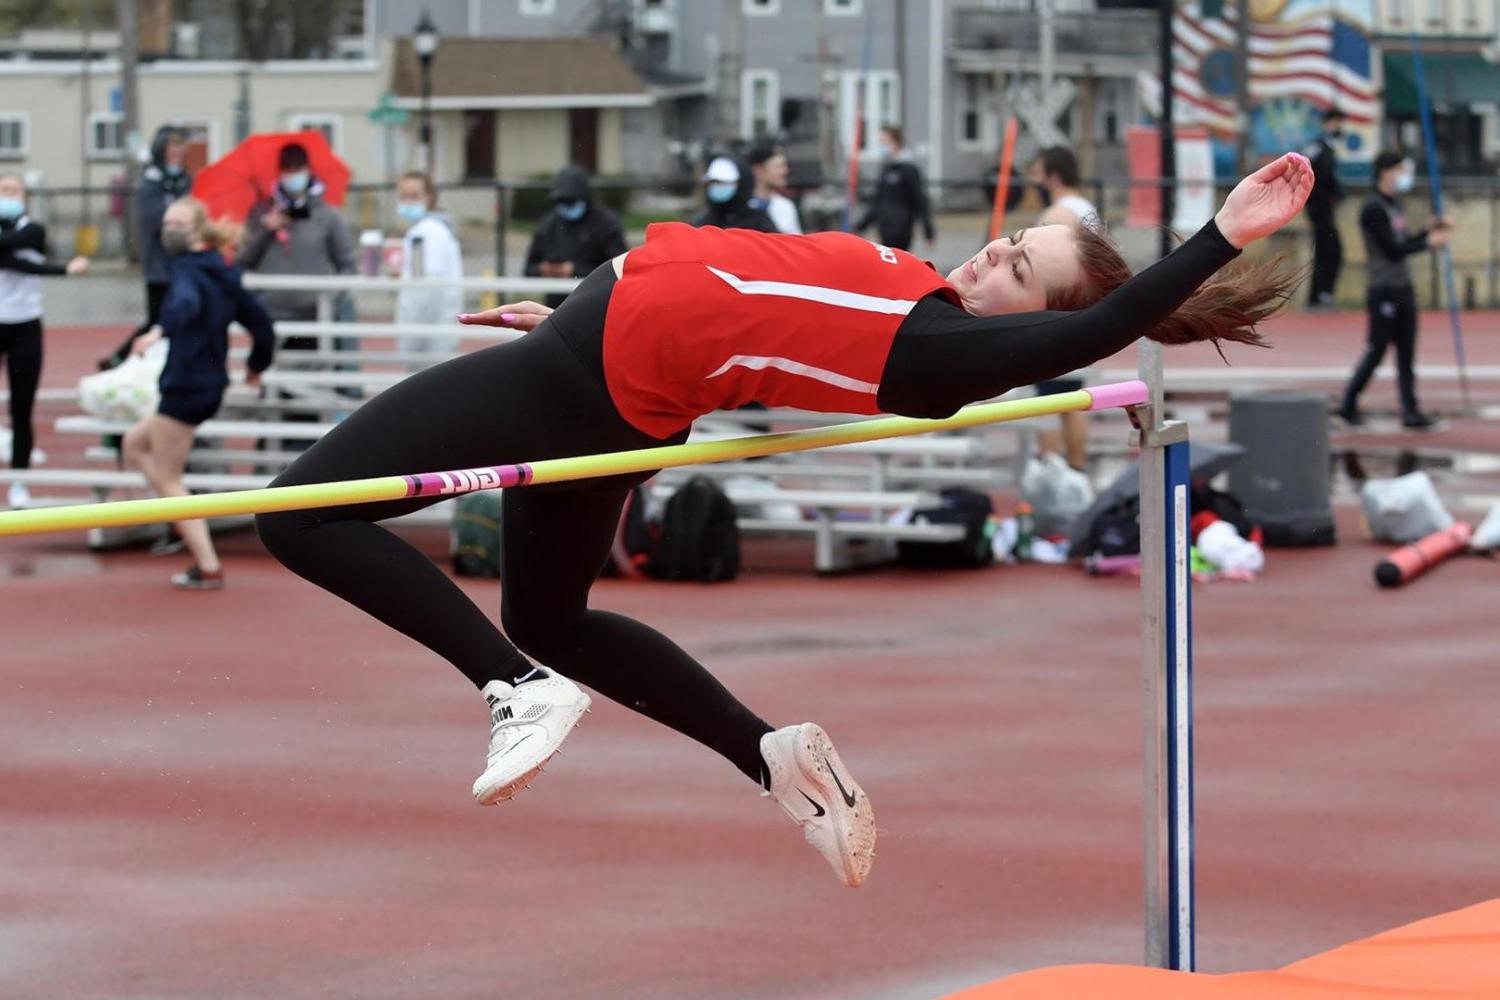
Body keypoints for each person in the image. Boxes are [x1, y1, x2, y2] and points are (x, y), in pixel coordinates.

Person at [254, 153, 1311, 889]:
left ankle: (514, 692)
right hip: (604, 369)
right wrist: (570, 309)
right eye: (1006, 241)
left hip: (587, 378)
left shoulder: (947, 358)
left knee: (299, 514)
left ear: (1035, 327)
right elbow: (749, 298)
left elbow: (1106, 324)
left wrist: (1219, 234)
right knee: (553, 616)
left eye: (1019, 271)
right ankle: (772, 757)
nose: (991, 256)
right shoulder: (922, 293)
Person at [125, 197, 275, 588]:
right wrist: (256, 365)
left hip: (186, 388)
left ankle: (206, 563)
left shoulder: (189, 271)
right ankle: (179, 519)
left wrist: (160, 330)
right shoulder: (222, 272)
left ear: (196, 230)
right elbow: (262, 325)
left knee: (168, 477)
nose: (167, 229)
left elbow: (184, 304)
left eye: (177, 222)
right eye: (166, 221)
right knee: (134, 445)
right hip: (204, 385)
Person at [1337, 150, 1453, 431]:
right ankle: (1347, 406)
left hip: (1403, 287)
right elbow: (1393, 250)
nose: (1405, 176)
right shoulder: (1373, 208)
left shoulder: (1393, 205)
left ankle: (1411, 411)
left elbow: (1404, 240)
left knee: (1406, 354)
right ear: (1386, 172)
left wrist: (1428, 231)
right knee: (1376, 350)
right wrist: (1429, 244)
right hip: (1384, 288)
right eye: (1401, 170)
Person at [0, 173, 89, 509]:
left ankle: (19, 482)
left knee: (21, 409)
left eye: (14, 190)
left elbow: (18, 258)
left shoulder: (34, 230)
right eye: (3, 190)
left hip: (25, 326)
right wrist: (64, 270)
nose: (9, 194)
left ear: (23, 196)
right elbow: (11, 258)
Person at [1025, 146, 1102, 471]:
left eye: (1038, 173)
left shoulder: (1057, 215)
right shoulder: (1086, 208)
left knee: (1047, 400)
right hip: (1083, 313)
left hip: (1057, 316)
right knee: (1073, 398)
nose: (1033, 182)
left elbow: (1037, 268)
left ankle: (1053, 472)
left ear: (1053, 176)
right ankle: (1077, 470)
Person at [102, 126, 192, 369]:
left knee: (175, 319)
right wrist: (179, 217)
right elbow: (155, 220)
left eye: (179, 152)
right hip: (159, 265)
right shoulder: (151, 183)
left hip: (183, 263)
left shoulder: (185, 181)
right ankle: (120, 359)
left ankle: (155, 364)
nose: (176, 158)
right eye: (171, 151)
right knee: (156, 319)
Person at [524, 165, 627, 310]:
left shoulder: (606, 223)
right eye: (561, 201)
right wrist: (544, 269)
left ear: (584, 197)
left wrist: (575, 271)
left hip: (596, 307)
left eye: (570, 201)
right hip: (556, 310)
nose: (565, 206)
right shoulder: (549, 224)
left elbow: (620, 270)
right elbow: (529, 269)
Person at [394, 171, 465, 369]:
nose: (407, 202)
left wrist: (411, 336)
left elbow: (424, 288)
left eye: (414, 196)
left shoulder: (425, 234)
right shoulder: (434, 231)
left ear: (429, 198)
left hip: (427, 335)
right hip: (436, 331)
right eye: (403, 196)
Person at [854, 125, 934, 252]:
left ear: (895, 142)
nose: (882, 146)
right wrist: (861, 226)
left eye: (884, 142)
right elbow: (878, 201)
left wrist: (928, 233)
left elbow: (920, 201)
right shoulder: (886, 168)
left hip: (902, 228)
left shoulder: (909, 170)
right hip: (884, 227)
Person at [1304, 108, 1345, 311]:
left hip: (1325, 208)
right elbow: (1311, 173)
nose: (1339, 127)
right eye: (1336, 122)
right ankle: (1319, 295)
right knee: (1328, 251)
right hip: (1318, 208)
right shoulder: (1318, 147)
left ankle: (1321, 294)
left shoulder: (1329, 147)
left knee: (1330, 251)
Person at [690, 156, 777, 233]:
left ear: (741, 184)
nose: (718, 187)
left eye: (724, 183)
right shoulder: (702, 221)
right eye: (714, 182)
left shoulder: (758, 221)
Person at [747, 142, 802, 234]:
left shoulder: (786, 206)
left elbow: (796, 242)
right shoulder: (742, 206)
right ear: (758, 170)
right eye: (778, 167)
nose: (785, 171)